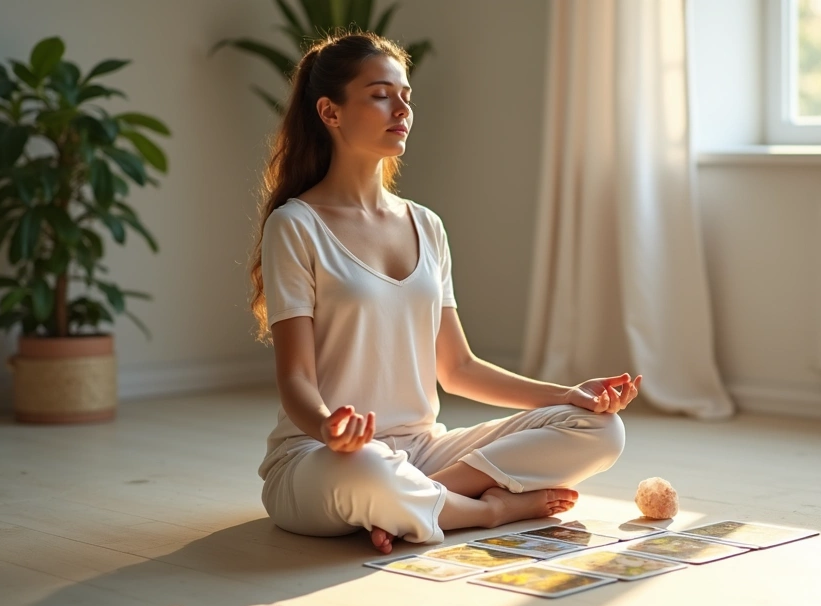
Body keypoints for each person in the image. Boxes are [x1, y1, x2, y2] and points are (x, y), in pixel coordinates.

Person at [246, 32, 643, 554]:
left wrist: (567, 396)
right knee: (368, 469)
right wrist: (329, 429)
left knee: (601, 430)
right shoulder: (295, 225)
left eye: (406, 95)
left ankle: (421, 503)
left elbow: (458, 368)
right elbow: (296, 379)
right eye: (381, 93)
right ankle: (487, 509)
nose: (402, 107)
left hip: (424, 452)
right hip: (325, 459)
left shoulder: (426, 225)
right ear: (331, 111)